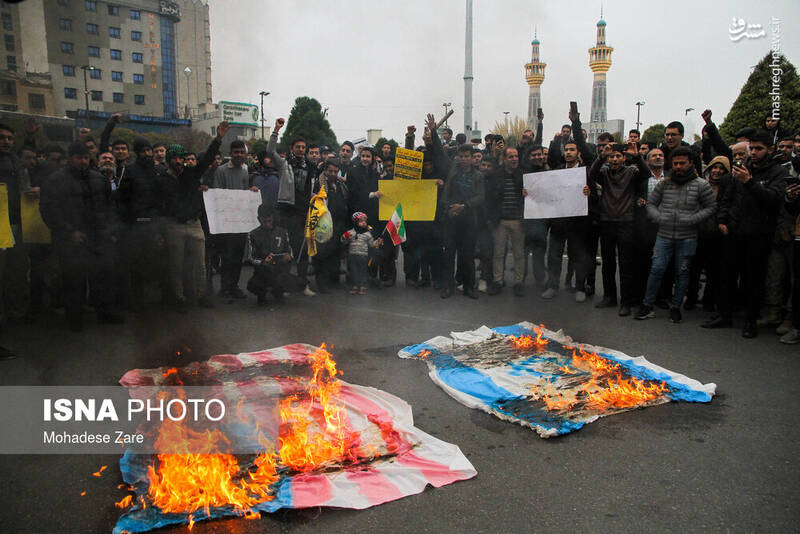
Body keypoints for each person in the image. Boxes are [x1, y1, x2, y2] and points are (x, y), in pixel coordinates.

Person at [705, 130, 789, 337]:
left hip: (759, 235)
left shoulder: (776, 172)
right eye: (752, 148)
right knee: (727, 275)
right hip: (735, 232)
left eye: (759, 149)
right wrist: (722, 220)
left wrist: (750, 182)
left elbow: (773, 199)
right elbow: (727, 197)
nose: (754, 153)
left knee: (753, 279)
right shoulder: (741, 169)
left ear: (770, 149)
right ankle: (724, 315)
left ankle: (750, 321)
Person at [40, 142, 123, 331]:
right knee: (73, 280)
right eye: (79, 157)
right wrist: (69, 232)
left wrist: (111, 229)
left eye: (86, 157)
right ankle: (74, 319)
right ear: (71, 158)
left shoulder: (98, 178)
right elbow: (49, 209)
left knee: (103, 277)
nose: (83, 161)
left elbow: (110, 205)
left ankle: (104, 312)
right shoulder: (56, 180)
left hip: (99, 236)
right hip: (71, 238)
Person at [634, 147, 716, 323]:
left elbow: (711, 207)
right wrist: (658, 217)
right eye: (675, 163)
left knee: (682, 272)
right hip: (664, 235)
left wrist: (694, 219)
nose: (678, 167)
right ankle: (647, 305)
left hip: (687, 237)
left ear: (691, 163)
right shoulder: (665, 183)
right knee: (656, 269)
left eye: (682, 163)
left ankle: (676, 307)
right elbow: (651, 204)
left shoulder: (701, 184)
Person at [160, 122, 227, 312]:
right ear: (169, 160)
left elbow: (206, 160)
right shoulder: (162, 180)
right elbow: (159, 206)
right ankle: (179, 298)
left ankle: (201, 295)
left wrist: (218, 139)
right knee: (176, 265)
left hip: (194, 224)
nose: (178, 162)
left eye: (181, 158)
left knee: (200, 264)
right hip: (174, 226)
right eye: (174, 158)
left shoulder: (191, 174)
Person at [589, 142, 650, 316]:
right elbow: (591, 174)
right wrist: (601, 156)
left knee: (625, 264)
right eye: (611, 156)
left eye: (618, 156)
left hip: (626, 222)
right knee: (607, 263)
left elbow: (646, 174)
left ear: (624, 158)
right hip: (607, 221)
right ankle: (609, 296)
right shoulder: (604, 172)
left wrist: (637, 156)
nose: (614, 159)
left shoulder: (632, 172)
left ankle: (626, 301)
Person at [429, 114, 485, 299]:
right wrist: (432, 132)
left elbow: (480, 197)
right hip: (451, 218)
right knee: (449, 254)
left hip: (469, 219)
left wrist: (465, 206)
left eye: (466, 156)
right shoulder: (452, 169)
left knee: (467, 256)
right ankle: (448, 286)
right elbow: (438, 151)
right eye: (460, 156)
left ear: (472, 158)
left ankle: (469, 287)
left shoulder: (478, 176)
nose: (462, 159)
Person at [271, 118, 316, 296]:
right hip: (286, 212)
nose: (301, 150)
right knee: (285, 250)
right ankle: (284, 286)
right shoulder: (284, 164)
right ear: (292, 148)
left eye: (303, 147)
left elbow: (314, 187)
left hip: (304, 212)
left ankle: (302, 284)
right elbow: (270, 150)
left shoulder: (311, 167)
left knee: (303, 250)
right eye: (297, 147)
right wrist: (276, 130)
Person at [211, 139, 257, 299]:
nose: (239, 155)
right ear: (230, 154)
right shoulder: (221, 171)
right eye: (236, 152)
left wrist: (252, 191)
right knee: (227, 255)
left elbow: (247, 192)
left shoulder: (246, 170)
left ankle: (234, 286)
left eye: (242, 152)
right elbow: (217, 194)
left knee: (238, 255)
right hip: (226, 221)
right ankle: (224, 287)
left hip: (241, 221)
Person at [486, 146, 525, 296]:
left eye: (516, 156)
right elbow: (489, 199)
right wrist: (491, 218)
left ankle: (518, 282)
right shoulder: (496, 175)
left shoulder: (523, 175)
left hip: (518, 221)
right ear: (504, 159)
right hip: (500, 221)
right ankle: (498, 281)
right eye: (511, 156)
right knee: (498, 253)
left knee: (519, 254)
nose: (514, 159)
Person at [310, 158, 350, 293]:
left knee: (335, 253)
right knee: (322, 254)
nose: (333, 174)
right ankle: (322, 283)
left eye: (335, 171)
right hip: (324, 224)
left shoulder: (340, 184)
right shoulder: (318, 184)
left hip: (338, 224)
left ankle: (333, 280)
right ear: (325, 170)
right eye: (330, 171)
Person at [246, 203, 298, 306]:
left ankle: (278, 293)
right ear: (258, 219)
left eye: (269, 221)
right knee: (253, 285)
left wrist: (289, 256)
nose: (267, 224)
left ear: (273, 218)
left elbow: (290, 251)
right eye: (264, 221)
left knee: (299, 283)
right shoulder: (252, 234)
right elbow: (251, 257)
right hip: (263, 272)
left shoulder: (282, 232)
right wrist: (263, 262)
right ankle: (262, 296)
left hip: (280, 269)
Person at [342, 212, 384, 295]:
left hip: (363, 256)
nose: (364, 223)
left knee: (363, 271)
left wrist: (377, 242)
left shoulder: (368, 234)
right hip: (352, 255)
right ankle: (355, 285)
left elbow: (371, 244)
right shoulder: (350, 232)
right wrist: (344, 237)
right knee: (354, 271)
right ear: (355, 222)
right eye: (361, 221)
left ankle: (362, 285)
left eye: (365, 221)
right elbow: (344, 241)